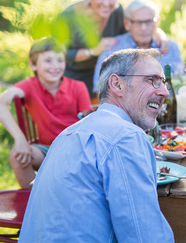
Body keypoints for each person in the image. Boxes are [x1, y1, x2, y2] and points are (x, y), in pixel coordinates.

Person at [19, 48, 175, 242]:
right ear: (117, 84)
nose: (164, 91)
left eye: (163, 82)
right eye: (152, 80)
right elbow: (144, 236)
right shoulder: (126, 137)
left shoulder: (68, 133)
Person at [0, 37, 91, 189]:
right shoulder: (30, 86)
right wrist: (20, 138)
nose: (55, 66)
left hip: (75, 151)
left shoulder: (78, 87)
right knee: (17, 155)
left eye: (60, 60)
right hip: (47, 151)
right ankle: (34, 199)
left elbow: (89, 124)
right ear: (33, 64)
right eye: (48, 60)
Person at [92, 0, 184, 93]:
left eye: (148, 22)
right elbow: (101, 92)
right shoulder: (112, 50)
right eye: (138, 23)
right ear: (127, 23)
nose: (143, 28)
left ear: (157, 22)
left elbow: (180, 86)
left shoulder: (171, 48)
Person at [59, 0, 126, 97]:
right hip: (72, 78)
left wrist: (157, 32)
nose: (106, 3)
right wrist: (93, 51)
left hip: (105, 78)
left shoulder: (118, 12)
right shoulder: (68, 17)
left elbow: (133, 31)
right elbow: (60, 53)